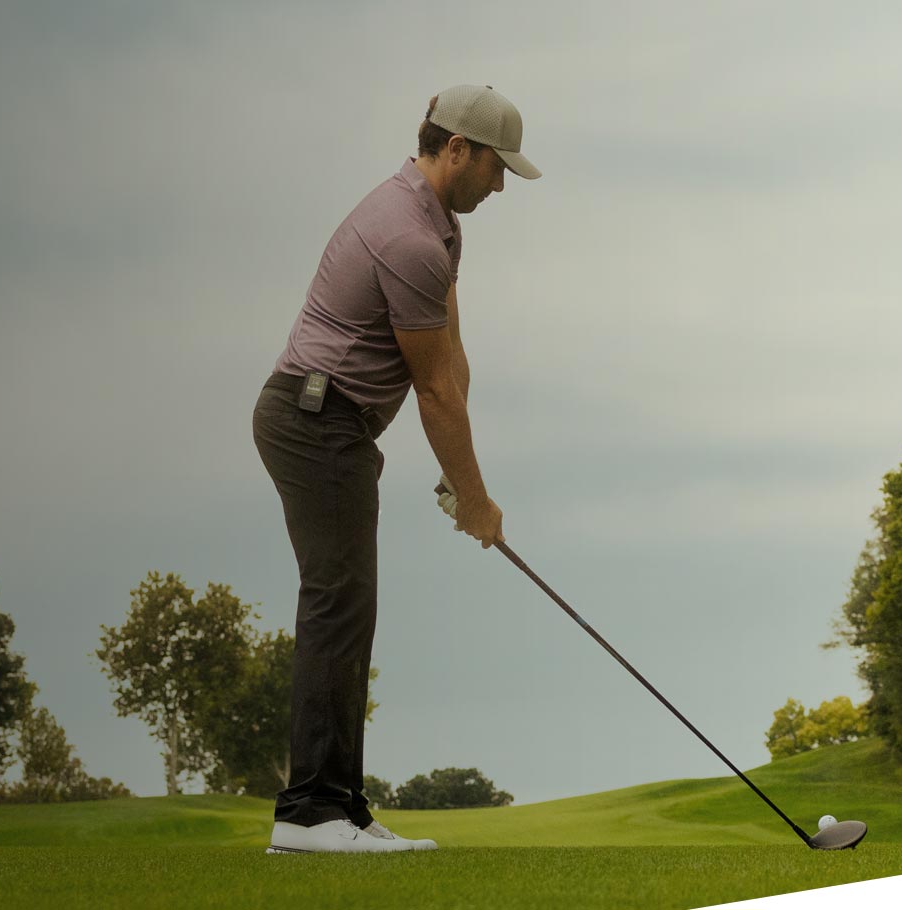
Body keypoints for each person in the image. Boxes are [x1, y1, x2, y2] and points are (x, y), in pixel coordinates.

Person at [252, 84, 537, 855]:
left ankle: (341, 807)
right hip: (314, 420)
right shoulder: (408, 239)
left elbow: (451, 356)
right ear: (457, 150)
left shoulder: (438, 228)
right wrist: (475, 499)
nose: (501, 184)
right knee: (337, 605)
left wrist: (458, 477)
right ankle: (308, 815)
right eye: (497, 166)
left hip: (332, 424)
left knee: (352, 609)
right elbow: (433, 390)